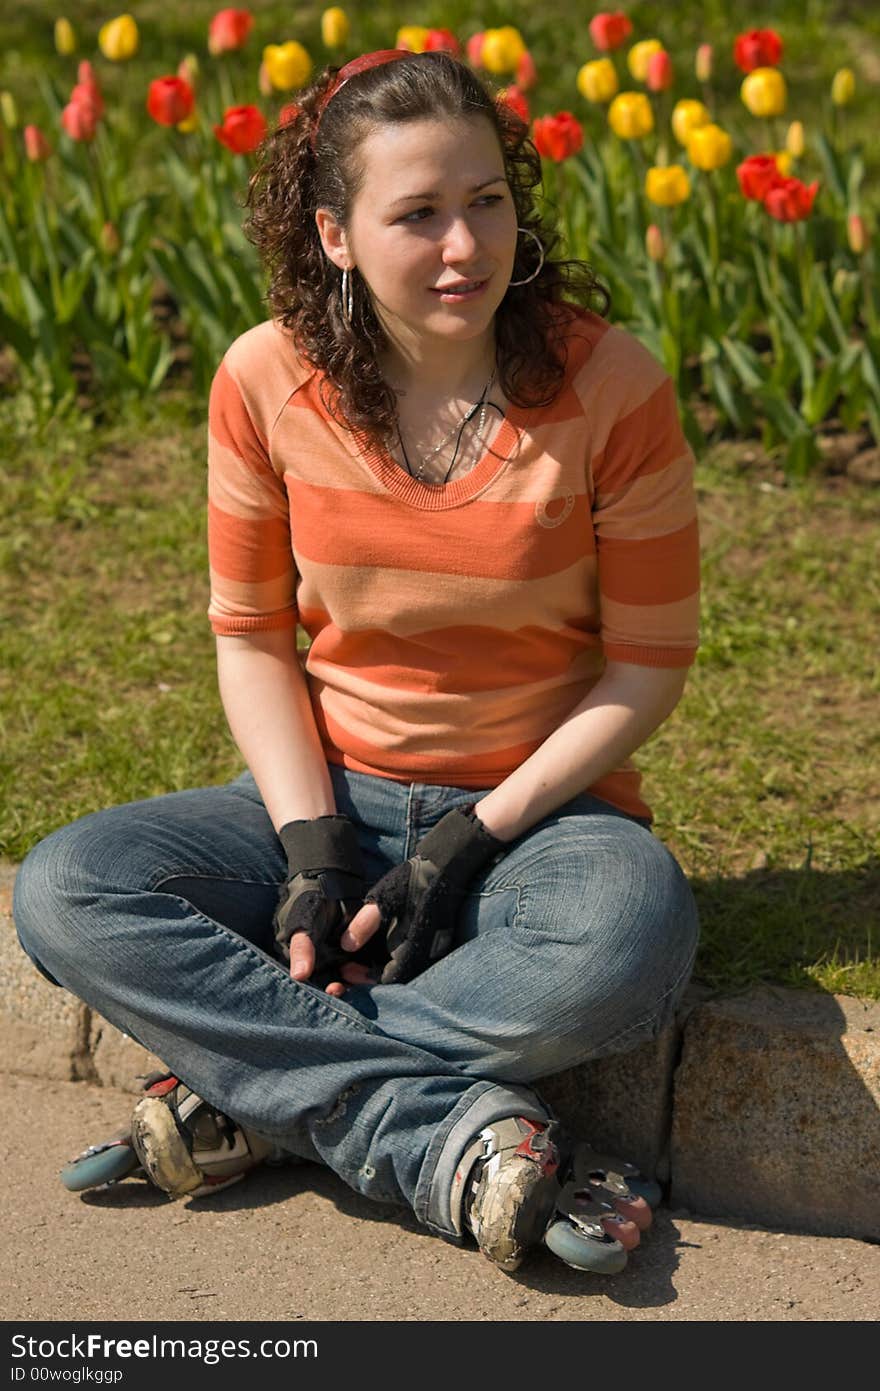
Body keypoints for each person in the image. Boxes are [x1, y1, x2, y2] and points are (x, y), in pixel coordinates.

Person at [13, 49, 700, 1277]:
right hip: (334, 793)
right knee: (69, 886)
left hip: (542, 823)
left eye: (488, 201)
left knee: (631, 927)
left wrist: (476, 831)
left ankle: (252, 1092)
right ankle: (438, 1136)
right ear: (334, 232)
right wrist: (310, 842)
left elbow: (646, 669)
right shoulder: (262, 380)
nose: (464, 246)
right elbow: (252, 638)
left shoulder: (614, 385)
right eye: (418, 213)